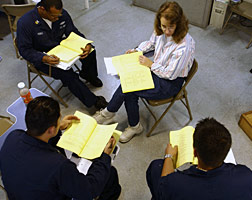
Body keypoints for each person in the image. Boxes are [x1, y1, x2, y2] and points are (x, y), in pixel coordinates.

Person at [93, 1, 195, 143]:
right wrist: (138, 50)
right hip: (156, 69)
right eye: (163, 26)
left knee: (129, 88)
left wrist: (151, 64)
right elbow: (152, 43)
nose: (166, 31)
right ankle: (121, 119)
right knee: (127, 83)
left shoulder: (184, 46)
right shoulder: (161, 30)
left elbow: (171, 74)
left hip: (169, 82)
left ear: (179, 24)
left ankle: (112, 115)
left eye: (170, 27)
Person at [0, 96, 121, 200]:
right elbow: (89, 190)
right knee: (110, 173)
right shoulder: (59, 165)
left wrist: (57, 129)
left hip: (20, 194)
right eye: (59, 120)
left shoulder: (13, 136)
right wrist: (105, 156)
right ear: (51, 129)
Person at [17, 0, 107, 110]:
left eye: (59, 15)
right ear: (42, 9)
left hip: (61, 47)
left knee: (90, 51)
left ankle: (89, 75)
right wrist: (43, 58)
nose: (57, 18)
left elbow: (73, 32)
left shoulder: (61, 14)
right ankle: (93, 102)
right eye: (53, 16)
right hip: (42, 56)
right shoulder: (25, 23)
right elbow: (24, 50)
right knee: (68, 75)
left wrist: (85, 43)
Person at [146, 118, 252, 200]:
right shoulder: (246, 175)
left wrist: (169, 156)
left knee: (156, 166)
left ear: (195, 152)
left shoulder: (176, 184)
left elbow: (164, 184)